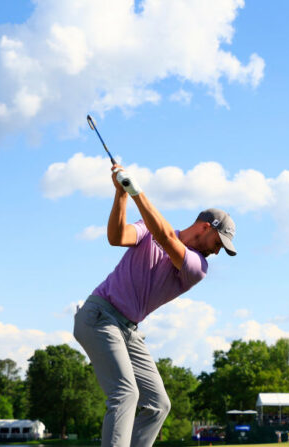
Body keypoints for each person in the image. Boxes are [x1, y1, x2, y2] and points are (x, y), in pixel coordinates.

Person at [74, 164, 236, 447]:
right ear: (205, 227)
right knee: (125, 394)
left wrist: (137, 192)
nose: (218, 249)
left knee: (159, 404)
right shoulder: (148, 231)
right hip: (99, 316)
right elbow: (116, 237)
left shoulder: (198, 266)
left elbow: (166, 238)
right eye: (219, 241)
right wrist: (121, 195)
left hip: (128, 331)